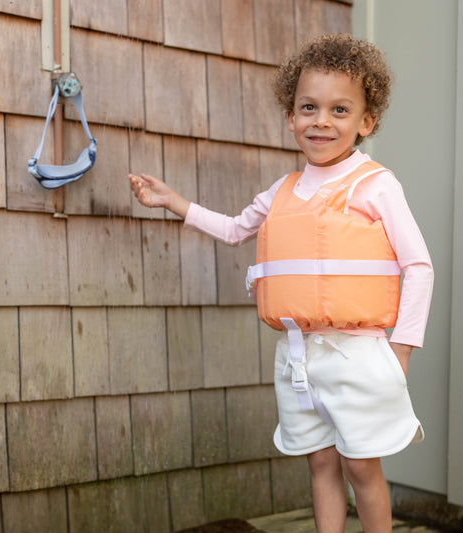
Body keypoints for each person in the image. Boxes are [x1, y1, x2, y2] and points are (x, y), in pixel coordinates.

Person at [129, 34, 433, 533]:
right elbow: (234, 229)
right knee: (320, 463)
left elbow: (419, 266)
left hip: (359, 352)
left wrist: (401, 349)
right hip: (297, 356)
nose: (321, 121)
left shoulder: (376, 185)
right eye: (309, 107)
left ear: (366, 121)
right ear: (291, 117)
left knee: (361, 467)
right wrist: (174, 202)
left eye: (339, 110)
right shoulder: (283, 190)